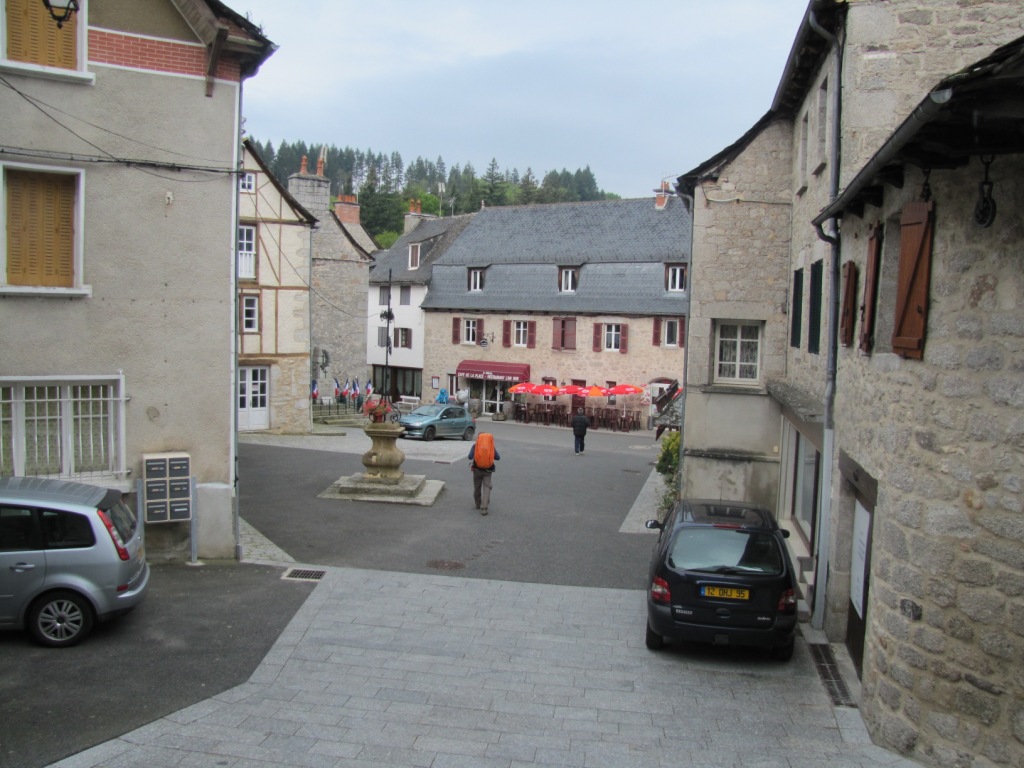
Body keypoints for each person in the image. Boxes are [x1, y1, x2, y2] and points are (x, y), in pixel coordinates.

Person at [468, 432, 500, 515]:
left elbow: (469, 456)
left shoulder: (475, 446)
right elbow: (498, 457)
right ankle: (484, 508)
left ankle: (478, 504)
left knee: (477, 487)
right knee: (486, 488)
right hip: (488, 471)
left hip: (477, 470)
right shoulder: (491, 446)